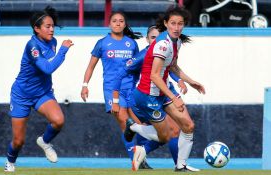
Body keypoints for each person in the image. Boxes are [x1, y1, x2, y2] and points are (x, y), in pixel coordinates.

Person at [125, 6, 205, 171]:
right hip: (147, 95)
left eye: (180, 24)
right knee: (165, 136)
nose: (177, 27)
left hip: (162, 91)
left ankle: (181, 165)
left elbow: (173, 66)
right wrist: (174, 97)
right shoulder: (162, 44)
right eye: (173, 23)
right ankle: (132, 126)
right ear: (166, 24)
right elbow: (154, 75)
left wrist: (191, 81)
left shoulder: (178, 41)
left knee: (188, 125)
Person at [4, 6, 74, 172]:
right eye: (47, 26)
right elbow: (47, 68)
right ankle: (10, 162)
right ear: (36, 28)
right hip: (22, 95)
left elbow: (49, 67)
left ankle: (45, 141)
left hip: (43, 92)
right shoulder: (32, 46)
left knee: (58, 120)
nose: (51, 29)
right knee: (18, 141)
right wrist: (63, 51)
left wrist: (60, 50)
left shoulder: (54, 42)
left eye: (52, 26)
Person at [80, 11, 152, 169]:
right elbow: (91, 66)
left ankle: (141, 158)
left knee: (140, 126)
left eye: (121, 21)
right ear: (109, 24)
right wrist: (85, 85)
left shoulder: (131, 44)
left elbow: (137, 65)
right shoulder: (102, 43)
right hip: (112, 89)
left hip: (131, 89)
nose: (118, 23)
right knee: (126, 123)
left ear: (125, 24)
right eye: (114, 21)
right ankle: (136, 160)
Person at [112, 25, 187, 168]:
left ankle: (144, 154)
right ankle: (178, 166)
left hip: (160, 96)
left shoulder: (165, 51)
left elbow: (169, 68)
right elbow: (120, 73)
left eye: (159, 37)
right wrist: (115, 100)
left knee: (171, 131)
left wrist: (179, 81)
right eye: (153, 37)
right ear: (147, 40)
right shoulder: (143, 55)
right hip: (146, 98)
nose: (156, 41)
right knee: (170, 130)